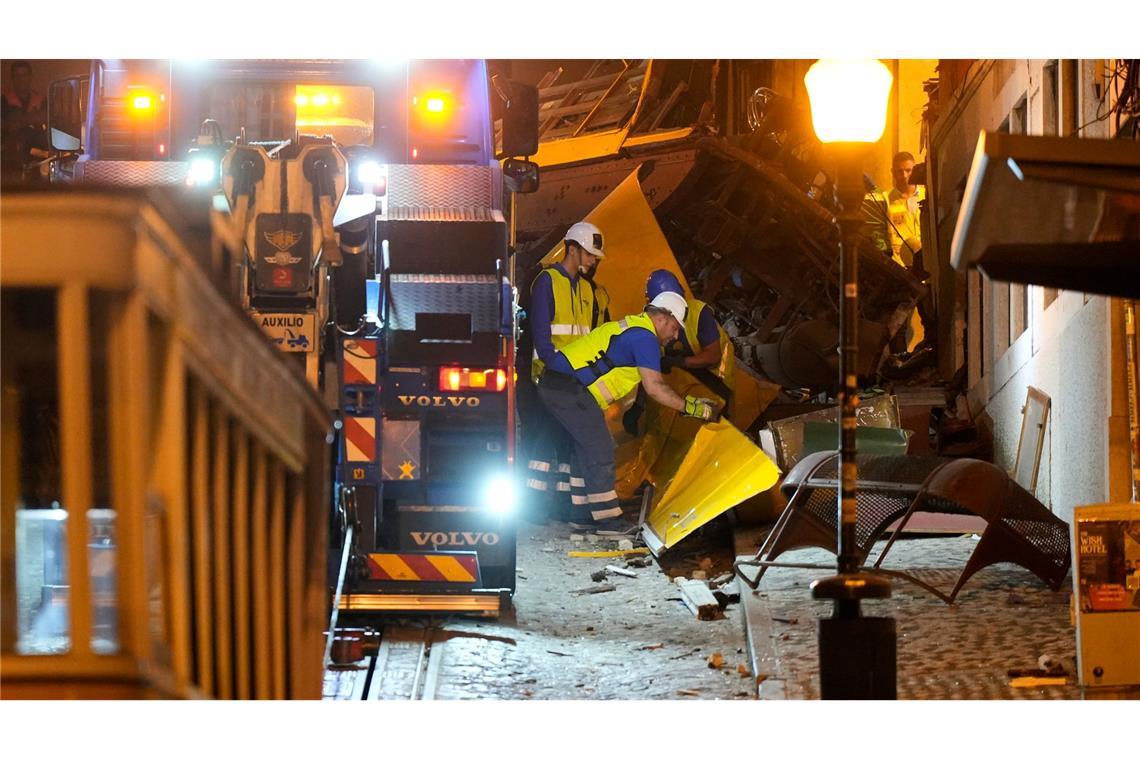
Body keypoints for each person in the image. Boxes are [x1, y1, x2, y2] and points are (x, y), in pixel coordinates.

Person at [538, 291, 716, 526]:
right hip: (570, 387)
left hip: (559, 383)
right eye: (674, 328)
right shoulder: (644, 337)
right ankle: (608, 520)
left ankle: (581, 515)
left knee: (585, 449)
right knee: (600, 450)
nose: (675, 336)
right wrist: (694, 408)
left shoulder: (632, 327)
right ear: (663, 317)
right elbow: (655, 387)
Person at [522, 221, 606, 520]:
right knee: (547, 437)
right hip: (549, 376)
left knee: (561, 438)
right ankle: (535, 505)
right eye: (590, 254)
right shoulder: (547, 281)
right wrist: (561, 370)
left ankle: (558, 505)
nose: (594, 260)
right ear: (573, 249)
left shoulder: (586, 288)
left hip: (573, 379)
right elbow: (542, 339)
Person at [623, 269, 735, 434]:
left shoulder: (699, 314)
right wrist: (638, 406)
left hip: (718, 381)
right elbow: (650, 370)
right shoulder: (653, 325)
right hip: (689, 380)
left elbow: (713, 355)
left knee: (716, 424)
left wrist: (680, 362)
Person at [1, 60, 47, 176]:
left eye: (24, 75)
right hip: (11, 154)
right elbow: (6, 125)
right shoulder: (3, 100)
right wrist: (31, 119)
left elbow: (45, 117)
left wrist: (20, 120)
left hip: (38, 155)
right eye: (17, 76)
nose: (21, 79)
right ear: (12, 79)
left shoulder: (41, 99)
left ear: (30, 77)